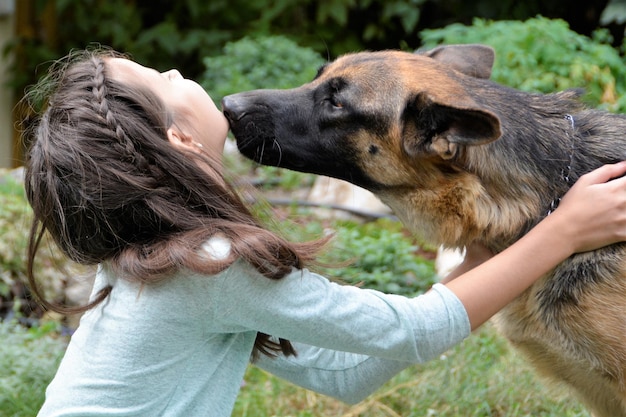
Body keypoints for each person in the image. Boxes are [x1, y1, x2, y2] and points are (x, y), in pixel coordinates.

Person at [23, 48, 626, 417]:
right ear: (180, 140)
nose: (179, 70)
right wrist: (563, 232)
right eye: (164, 77)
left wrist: (495, 251)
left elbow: (340, 374)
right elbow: (410, 333)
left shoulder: (153, 253)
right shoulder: (207, 264)